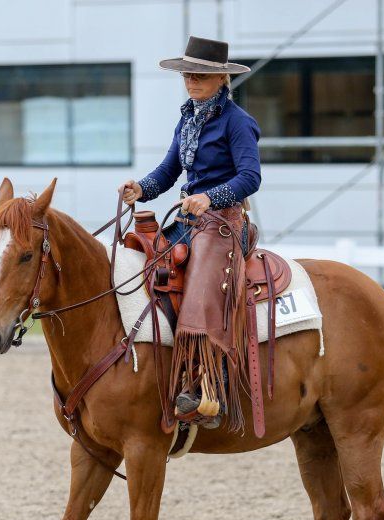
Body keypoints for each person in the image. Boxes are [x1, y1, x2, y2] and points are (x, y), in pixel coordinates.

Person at [119, 36, 262, 429]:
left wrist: (209, 197)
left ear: (221, 79)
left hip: (225, 224)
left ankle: (209, 387)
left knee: (201, 287)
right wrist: (141, 189)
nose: (191, 80)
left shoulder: (238, 122)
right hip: (187, 222)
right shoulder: (187, 120)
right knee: (141, 263)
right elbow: (168, 171)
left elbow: (250, 177)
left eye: (200, 74)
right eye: (187, 74)